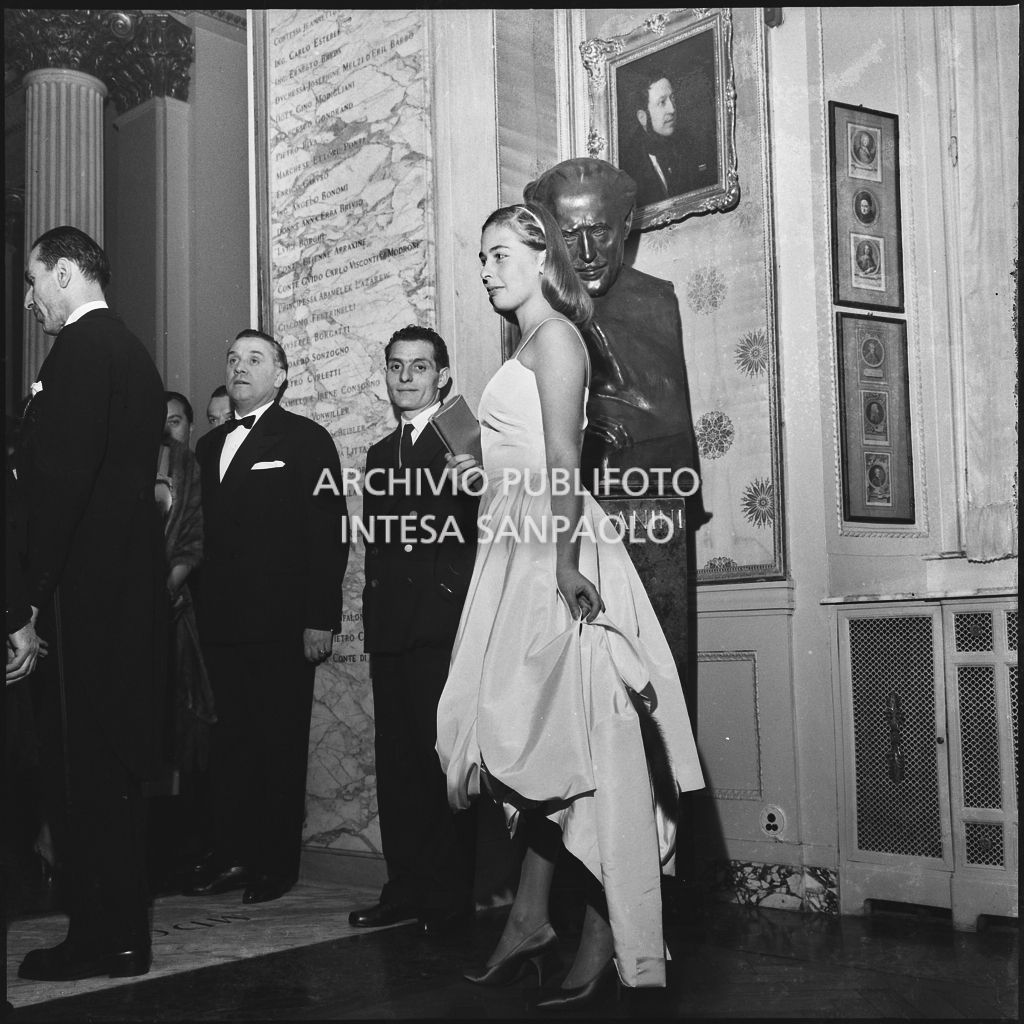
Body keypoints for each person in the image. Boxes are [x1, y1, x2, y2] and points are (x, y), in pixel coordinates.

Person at [436, 203, 703, 1008]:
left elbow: (561, 459)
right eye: (480, 257)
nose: (485, 269)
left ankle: (590, 927)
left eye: (497, 254)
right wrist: (473, 472)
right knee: (530, 740)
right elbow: (520, 462)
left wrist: (561, 566)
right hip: (514, 545)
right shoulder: (523, 343)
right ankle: (532, 917)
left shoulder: (555, 339)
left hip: (551, 555)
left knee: (575, 745)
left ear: (539, 254)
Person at [16, 225, 167, 981]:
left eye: (34, 278)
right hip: (123, 596)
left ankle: (101, 938)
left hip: (84, 599)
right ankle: (122, 936)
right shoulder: (132, 351)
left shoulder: (79, 351)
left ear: (66, 272)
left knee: (84, 771)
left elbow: (59, 488)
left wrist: (29, 601)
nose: (29, 296)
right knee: (110, 769)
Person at [187, 328, 348, 904]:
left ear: (280, 375)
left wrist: (319, 619)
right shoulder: (206, 449)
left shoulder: (306, 439)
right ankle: (231, 856)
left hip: (281, 629)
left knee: (276, 747)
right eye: (232, 358)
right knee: (227, 750)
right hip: (218, 630)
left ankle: (273, 867)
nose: (240, 367)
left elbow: (328, 534)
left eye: (255, 359)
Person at [348, 325, 480, 936]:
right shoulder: (379, 454)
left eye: (419, 367)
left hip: (442, 625)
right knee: (396, 764)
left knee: (442, 765)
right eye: (396, 367)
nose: (405, 378)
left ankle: (449, 897)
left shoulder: (466, 435)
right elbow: (378, 549)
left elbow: (489, 525)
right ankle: (404, 888)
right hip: (392, 630)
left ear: (442, 377)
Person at [524, 157, 700, 496]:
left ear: (627, 221)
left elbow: (672, 428)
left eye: (600, 231)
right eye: (569, 236)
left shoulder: (659, 298)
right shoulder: (538, 311)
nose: (588, 254)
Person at [619, 68, 716, 208]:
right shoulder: (628, 169)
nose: (672, 109)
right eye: (662, 102)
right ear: (642, 117)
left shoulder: (692, 147)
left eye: (672, 99)